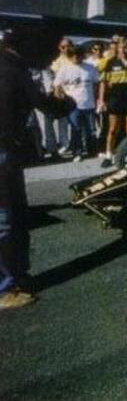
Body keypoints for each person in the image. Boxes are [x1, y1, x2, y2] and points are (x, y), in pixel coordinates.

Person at [0, 26, 61, 309]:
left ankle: (16, 276)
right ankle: (5, 288)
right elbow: (46, 105)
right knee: (7, 219)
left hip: (8, 151)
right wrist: (67, 102)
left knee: (13, 216)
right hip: (4, 153)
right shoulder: (16, 70)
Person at [97, 38, 127, 168]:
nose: (125, 50)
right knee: (113, 129)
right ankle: (108, 155)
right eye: (122, 47)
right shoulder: (111, 63)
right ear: (117, 48)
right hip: (115, 98)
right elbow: (103, 83)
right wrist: (101, 100)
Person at [53, 46, 99, 161]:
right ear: (69, 56)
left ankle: (91, 150)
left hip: (88, 103)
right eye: (72, 55)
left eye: (78, 55)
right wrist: (60, 99)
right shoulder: (65, 69)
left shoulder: (90, 68)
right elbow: (57, 86)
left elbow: (96, 83)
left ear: (82, 56)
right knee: (76, 129)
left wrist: (97, 98)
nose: (75, 58)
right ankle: (77, 152)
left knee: (90, 129)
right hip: (72, 105)